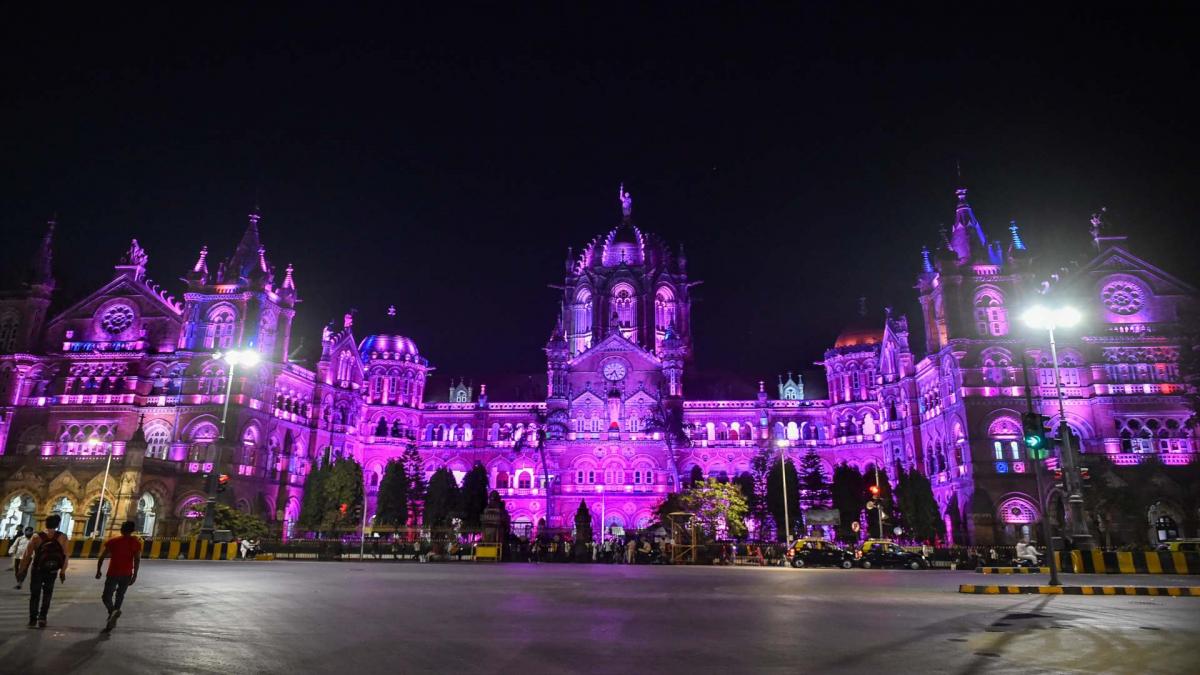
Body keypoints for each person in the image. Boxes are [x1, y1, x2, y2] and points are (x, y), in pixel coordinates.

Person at [17, 514, 70, 629]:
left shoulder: (36, 536)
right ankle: (42, 618)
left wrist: (22, 570)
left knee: (35, 594)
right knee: (47, 594)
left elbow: (27, 555)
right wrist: (63, 571)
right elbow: (65, 555)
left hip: (38, 569)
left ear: (45, 523)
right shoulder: (62, 537)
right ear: (57, 525)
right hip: (52, 570)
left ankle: (32, 620)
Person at [96, 520, 142, 632]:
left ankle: (112, 612)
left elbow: (102, 557)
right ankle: (113, 615)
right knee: (120, 595)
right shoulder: (136, 543)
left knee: (106, 596)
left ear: (121, 529)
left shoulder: (113, 541)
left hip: (113, 573)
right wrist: (135, 574)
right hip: (127, 574)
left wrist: (98, 570)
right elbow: (137, 559)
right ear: (132, 530)